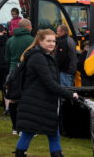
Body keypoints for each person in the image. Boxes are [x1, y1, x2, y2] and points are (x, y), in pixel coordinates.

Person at [14, 29, 78, 157]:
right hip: (36, 102)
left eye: (54, 41)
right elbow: (49, 83)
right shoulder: (38, 57)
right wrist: (70, 94)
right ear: (40, 41)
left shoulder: (46, 56)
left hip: (43, 102)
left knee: (49, 132)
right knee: (33, 132)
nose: (52, 44)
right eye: (48, 41)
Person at [5, 18, 34, 135]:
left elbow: (6, 58)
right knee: (26, 99)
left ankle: (15, 127)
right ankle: (24, 128)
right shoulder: (31, 40)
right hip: (26, 71)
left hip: (12, 70)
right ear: (27, 27)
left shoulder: (10, 40)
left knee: (13, 98)